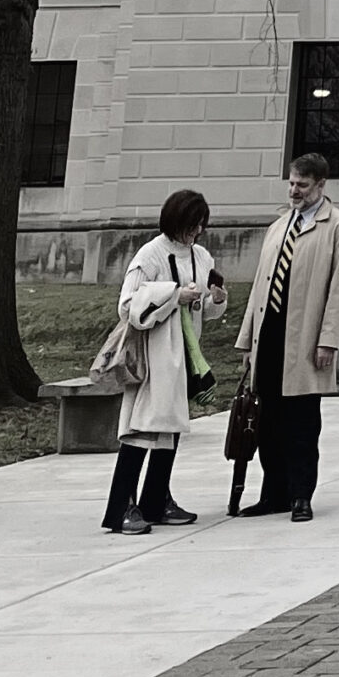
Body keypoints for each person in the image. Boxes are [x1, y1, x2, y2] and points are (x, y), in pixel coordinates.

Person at [234, 152, 339, 522]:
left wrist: (328, 340)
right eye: (291, 183)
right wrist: (246, 341)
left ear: (321, 185)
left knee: (301, 423)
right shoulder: (279, 226)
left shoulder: (338, 226)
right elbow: (259, 286)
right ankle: (273, 494)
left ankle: (301, 494)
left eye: (302, 185)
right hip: (270, 336)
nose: (294, 191)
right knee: (267, 422)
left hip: (304, 339)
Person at [102, 188, 229, 533]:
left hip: (185, 354)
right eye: (192, 225)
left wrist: (215, 299)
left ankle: (156, 500)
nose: (197, 232)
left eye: (201, 225)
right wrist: (174, 295)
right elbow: (127, 306)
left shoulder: (201, 256)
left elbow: (208, 309)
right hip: (153, 355)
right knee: (141, 427)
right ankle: (121, 507)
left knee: (169, 428)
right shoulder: (151, 254)